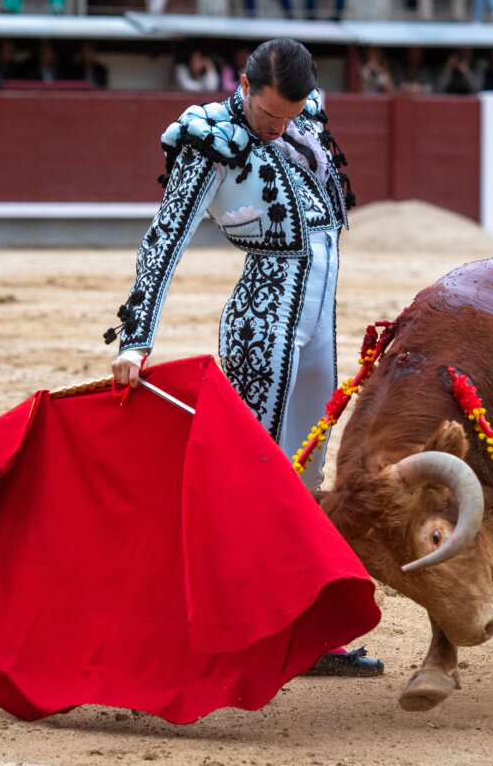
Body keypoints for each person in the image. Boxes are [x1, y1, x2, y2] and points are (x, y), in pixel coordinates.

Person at [105, 38, 378, 678]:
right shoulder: (211, 140)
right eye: (268, 113)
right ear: (245, 86)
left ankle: (307, 630)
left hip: (318, 321)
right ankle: (250, 626)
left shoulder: (306, 118)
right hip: (263, 323)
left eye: (289, 115)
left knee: (308, 472)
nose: (278, 126)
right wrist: (137, 337)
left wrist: (289, 118)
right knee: (260, 476)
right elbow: (164, 239)